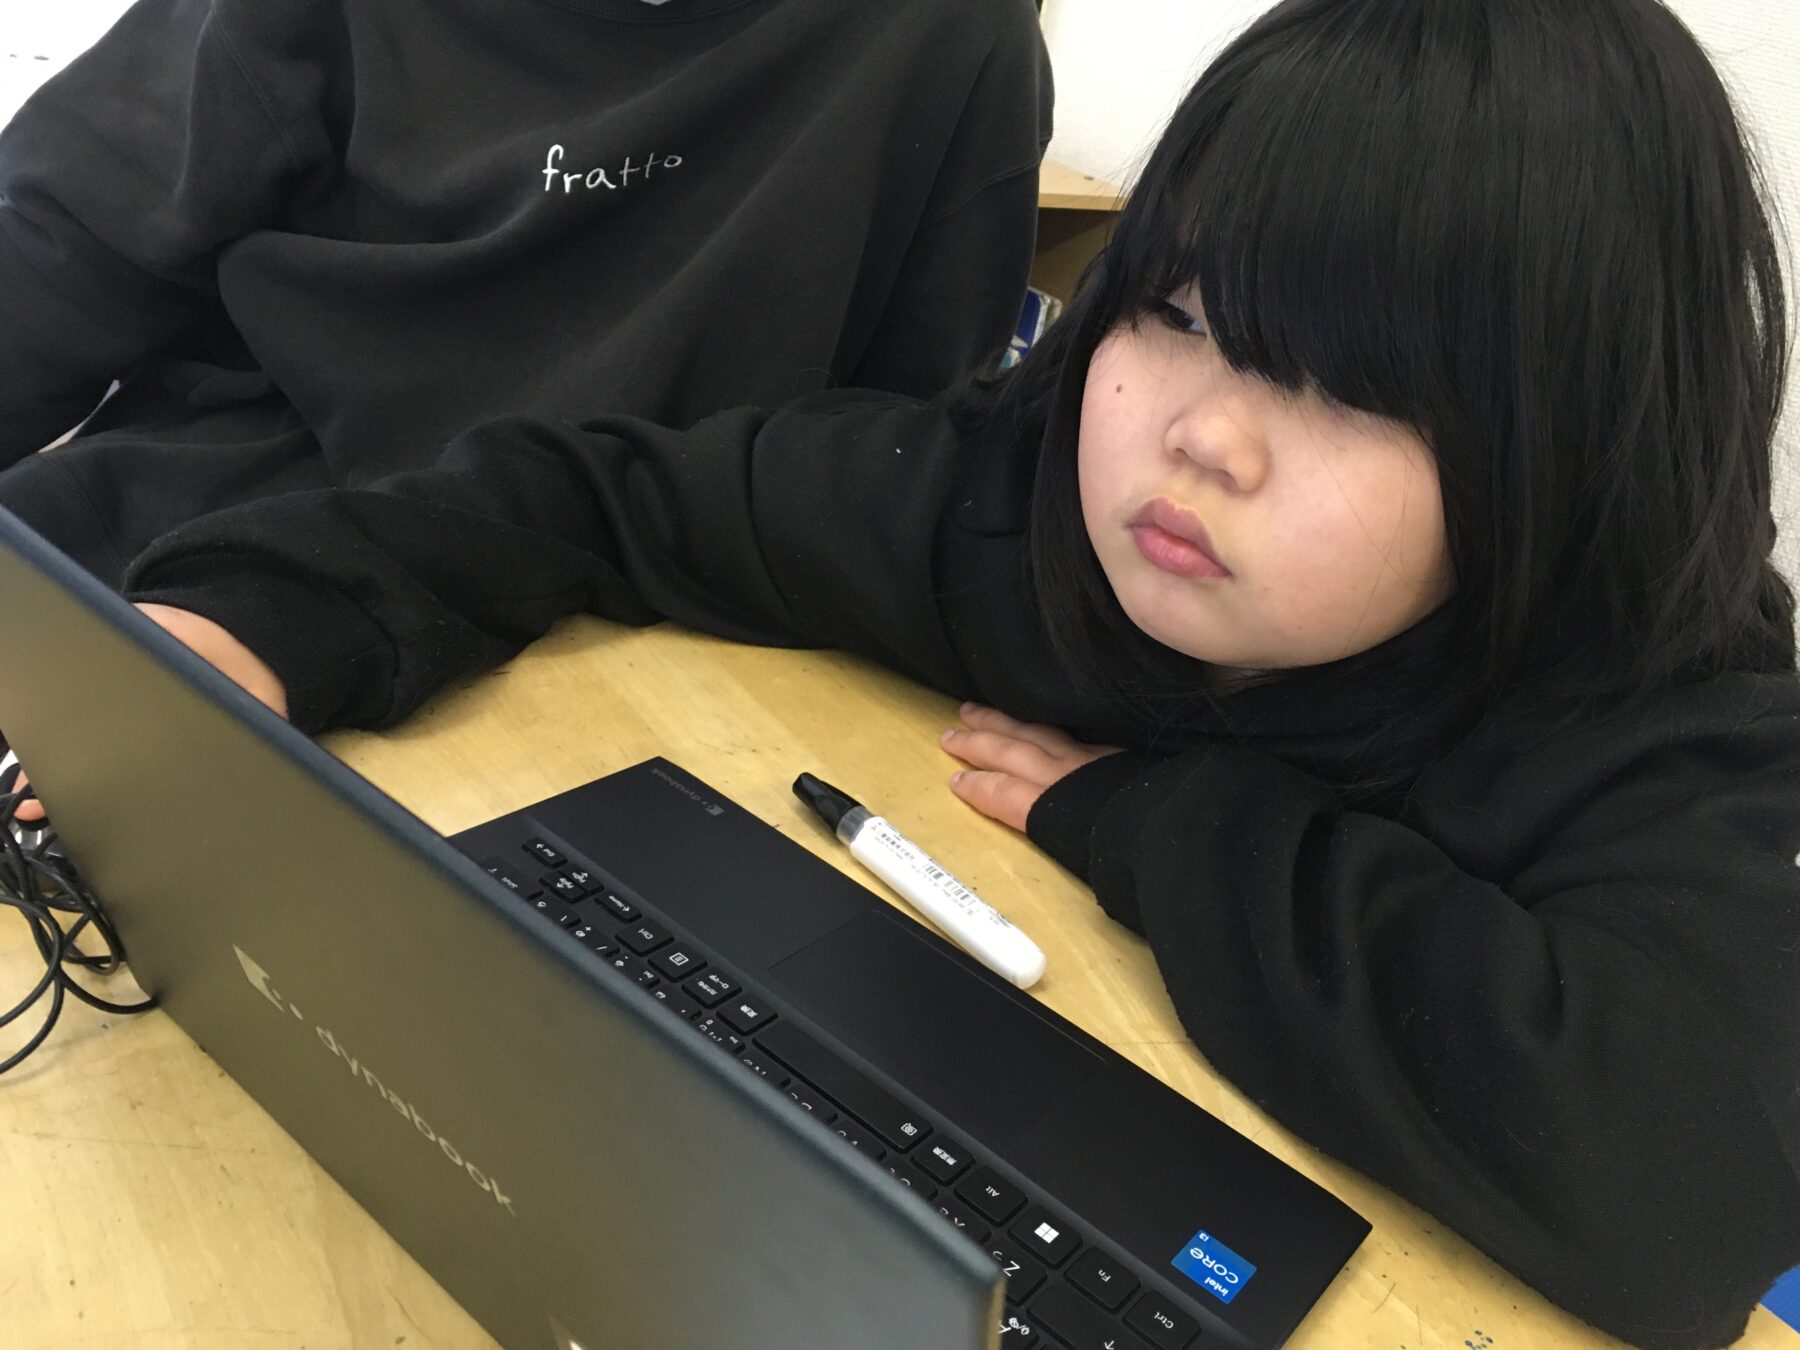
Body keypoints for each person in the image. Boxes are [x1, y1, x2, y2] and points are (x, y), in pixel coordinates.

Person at [21, 0, 1800, 1344]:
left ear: (1580, 452)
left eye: (1358, 390)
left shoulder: (1664, 697)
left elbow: (1680, 1188)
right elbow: (606, 493)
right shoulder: (1009, 513)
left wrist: (1157, 814)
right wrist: (266, 617)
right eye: (1177, 316)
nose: (1204, 438)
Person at [0, 0, 1052, 586]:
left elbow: (896, 457)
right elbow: (65, 246)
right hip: (197, 542)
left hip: (610, 624)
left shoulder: (954, 38)